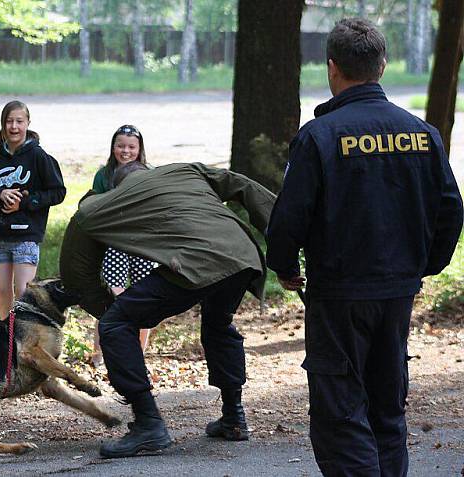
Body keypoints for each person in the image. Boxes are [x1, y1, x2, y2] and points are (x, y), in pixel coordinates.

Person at [265, 18, 463, 476]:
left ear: (332, 68)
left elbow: (289, 217)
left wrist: (283, 266)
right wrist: (424, 266)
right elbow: (451, 209)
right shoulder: (423, 133)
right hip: (397, 293)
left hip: (338, 296)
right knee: (386, 408)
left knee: (341, 413)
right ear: (383, 65)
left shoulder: (320, 136)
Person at [60, 161, 276, 458]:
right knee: (218, 324)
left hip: (195, 260)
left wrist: (109, 310)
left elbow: (77, 276)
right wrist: (283, 248)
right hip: (240, 255)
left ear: (115, 187)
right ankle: (234, 418)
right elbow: (245, 185)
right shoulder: (184, 170)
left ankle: (148, 425)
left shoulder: (101, 204)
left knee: (113, 325)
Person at [0, 100, 66, 319]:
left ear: (28, 123)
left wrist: (25, 202)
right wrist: (0, 193)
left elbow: (57, 192)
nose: (14, 127)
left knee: (24, 292)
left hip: (26, 234)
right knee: (2, 291)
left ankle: (25, 337)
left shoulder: (38, 156)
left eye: (19, 121)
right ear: (3, 124)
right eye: (9, 121)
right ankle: (8, 341)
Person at [90, 125, 156, 367]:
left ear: (139, 149)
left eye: (131, 147)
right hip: (113, 241)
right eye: (120, 146)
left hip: (142, 244)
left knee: (146, 298)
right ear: (112, 147)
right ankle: (100, 352)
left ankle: (139, 352)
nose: (125, 151)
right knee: (110, 296)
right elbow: (92, 204)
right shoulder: (104, 175)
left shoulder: (149, 173)